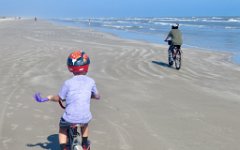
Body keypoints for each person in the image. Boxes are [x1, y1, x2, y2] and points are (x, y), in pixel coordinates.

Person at [34, 50, 100, 150]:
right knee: (85, 124)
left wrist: (48, 98)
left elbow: (59, 98)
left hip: (70, 118)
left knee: (62, 128)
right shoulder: (91, 81)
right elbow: (97, 96)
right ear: (87, 67)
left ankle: (64, 147)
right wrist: (88, 95)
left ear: (70, 68)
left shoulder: (68, 83)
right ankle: (85, 144)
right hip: (85, 116)